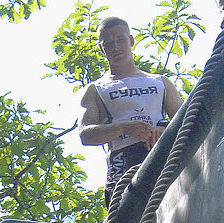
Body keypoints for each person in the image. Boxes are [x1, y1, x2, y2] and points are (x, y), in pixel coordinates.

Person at [78, 16, 183, 206]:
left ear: (131, 40)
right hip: (123, 163)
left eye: (120, 40)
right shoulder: (96, 89)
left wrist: (162, 132)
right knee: (125, 221)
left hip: (162, 152)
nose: (116, 47)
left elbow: (186, 122)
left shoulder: (160, 82)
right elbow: (86, 135)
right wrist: (124, 127)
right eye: (109, 43)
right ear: (102, 49)